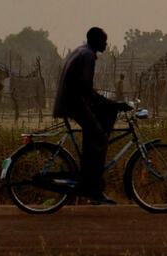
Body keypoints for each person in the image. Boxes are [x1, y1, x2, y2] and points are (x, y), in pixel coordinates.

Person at [53, 27, 130, 204]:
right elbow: (86, 90)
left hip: (70, 102)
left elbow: (85, 91)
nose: (106, 44)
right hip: (73, 104)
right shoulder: (88, 56)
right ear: (96, 41)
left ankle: (91, 186)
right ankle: (93, 190)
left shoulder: (82, 51)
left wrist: (106, 104)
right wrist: (112, 104)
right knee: (100, 139)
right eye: (104, 41)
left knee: (93, 139)